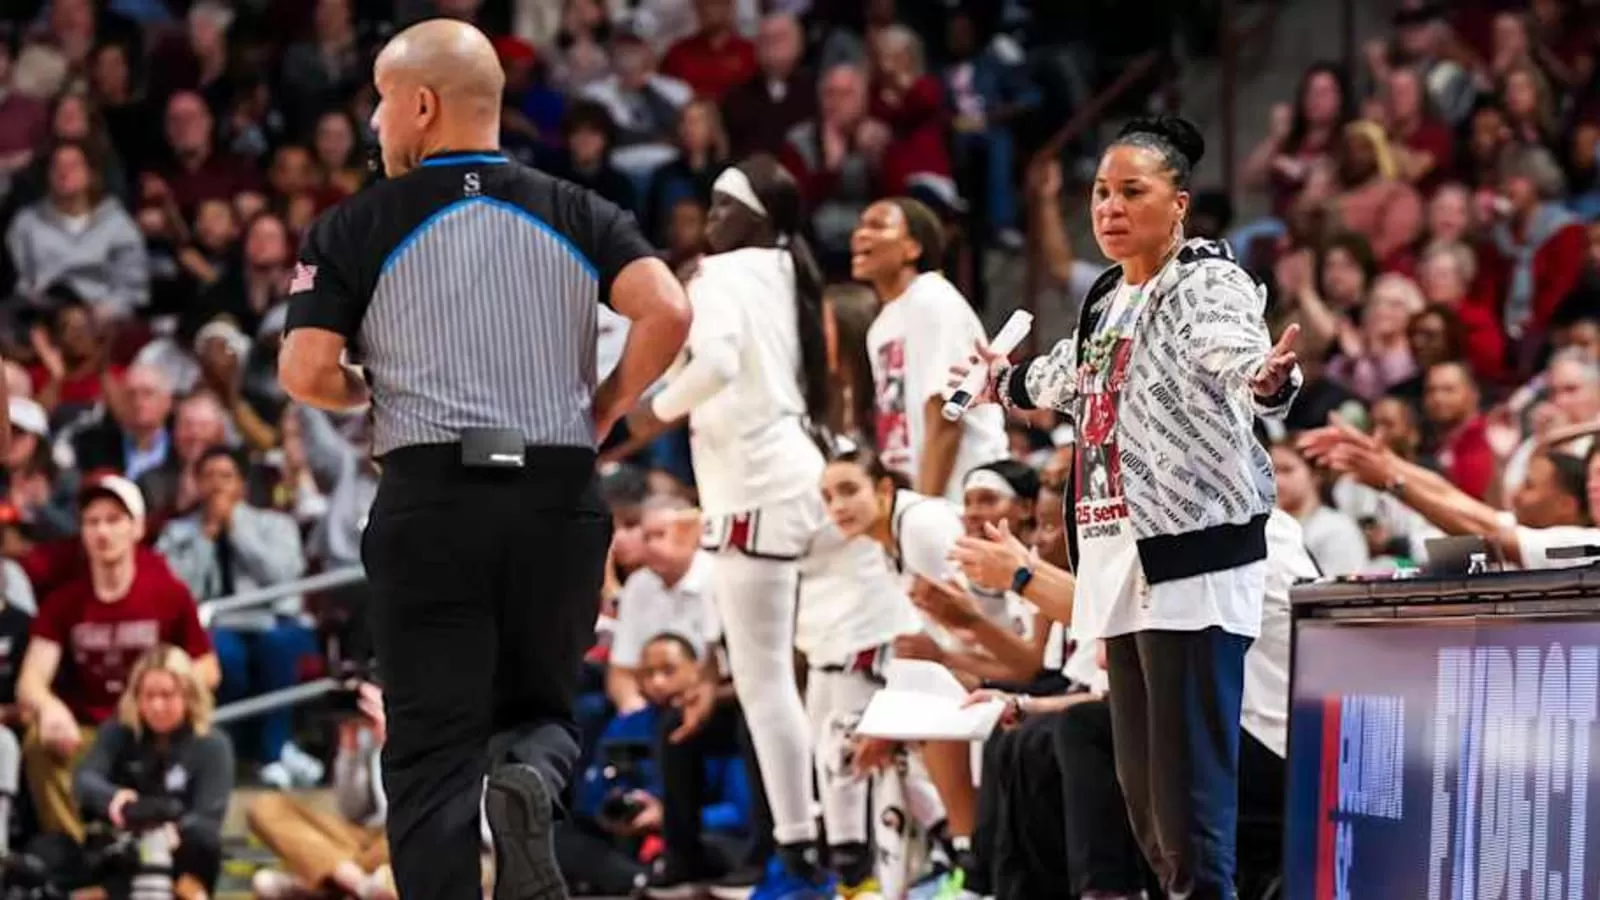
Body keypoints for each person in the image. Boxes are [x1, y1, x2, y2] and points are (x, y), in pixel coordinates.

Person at [276, 19, 691, 900]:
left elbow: (306, 371)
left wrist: (370, 393)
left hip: (432, 497)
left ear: (421, 105)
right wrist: (609, 404)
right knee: (540, 712)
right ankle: (533, 784)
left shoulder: (355, 224)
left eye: (383, 104)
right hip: (556, 491)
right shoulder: (579, 208)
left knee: (431, 753)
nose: (378, 125)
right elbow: (669, 310)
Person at [950, 116, 1301, 898]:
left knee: (1189, 809)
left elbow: (1237, 354)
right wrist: (999, 381)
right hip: (1118, 562)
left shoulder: (1206, 280)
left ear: (1178, 204)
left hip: (1192, 565)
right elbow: (1064, 377)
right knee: (1145, 810)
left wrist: (1268, 380)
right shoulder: (1110, 296)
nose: (1108, 208)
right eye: (1101, 193)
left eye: (1130, 192)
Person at [616, 154, 834, 897]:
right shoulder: (786, 273)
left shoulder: (722, 277)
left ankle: (802, 844)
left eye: (718, 208)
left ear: (755, 219)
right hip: (806, 479)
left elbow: (714, 363)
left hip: (757, 493)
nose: (706, 223)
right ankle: (859, 835)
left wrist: (643, 417)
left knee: (768, 679)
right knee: (831, 669)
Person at [17, 474, 218, 845]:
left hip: (149, 727)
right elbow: (31, 679)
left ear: (137, 528)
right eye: (92, 522)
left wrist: (163, 688)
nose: (102, 532)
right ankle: (71, 850)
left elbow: (208, 668)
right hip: (91, 729)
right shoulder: (64, 602)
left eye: (113, 520)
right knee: (38, 740)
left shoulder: (168, 593)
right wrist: (47, 706)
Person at [852, 197, 1007, 502]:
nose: (859, 234)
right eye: (859, 225)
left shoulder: (931, 298)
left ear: (912, 247)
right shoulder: (881, 326)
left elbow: (947, 418)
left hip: (963, 496)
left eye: (877, 225)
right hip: (919, 494)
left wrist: (925, 509)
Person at [73, 644, 234, 900]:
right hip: (123, 844)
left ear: (188, 695)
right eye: (148, 696)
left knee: (204, 841)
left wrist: (174, 831)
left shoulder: (211, 744)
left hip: (183, 852)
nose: (157, 706)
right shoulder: (118, 733)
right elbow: (85, 779)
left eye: (167, 695)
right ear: (136, 697)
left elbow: (209, 815)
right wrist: (114, 798)